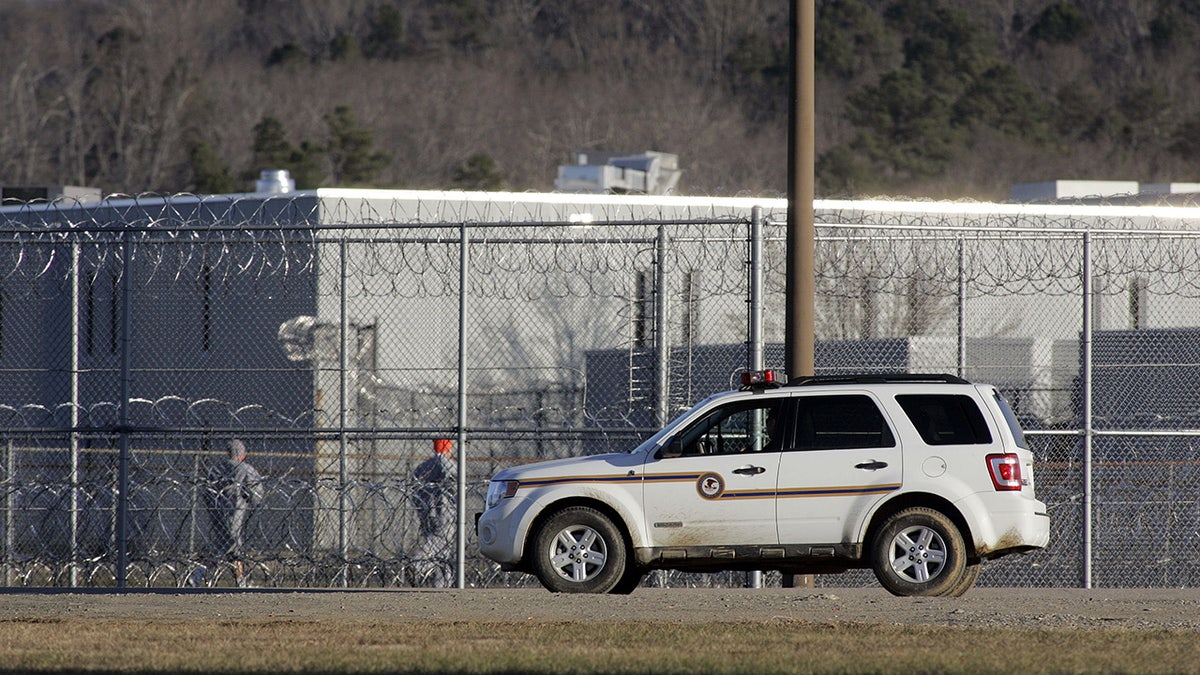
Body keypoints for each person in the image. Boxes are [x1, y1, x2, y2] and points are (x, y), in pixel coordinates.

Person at [194, 439, 265, 588]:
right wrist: (252, 502)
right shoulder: (245, 469)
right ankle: (198, 575)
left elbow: (207, 491)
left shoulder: (217, 468)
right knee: (229, 546)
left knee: (226, 546)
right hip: (236, 512)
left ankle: (240, 581)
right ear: (242, 453)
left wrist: (213, 507)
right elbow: (256, 493)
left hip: (217, 513)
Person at [411, 438, 457, 587]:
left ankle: (443, 584)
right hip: (443, 511)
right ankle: (417, 565)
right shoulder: (445, 463)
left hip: (425, 510)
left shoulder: (423, 466)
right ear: (448, 448)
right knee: (439, 543)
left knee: (442, 549)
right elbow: (452, 479)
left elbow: (414, 487)